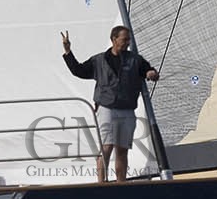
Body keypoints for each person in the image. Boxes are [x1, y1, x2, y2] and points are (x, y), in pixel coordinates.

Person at [62, 26, 158, 183]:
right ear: (114, 39)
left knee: (122, 149)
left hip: (127, 109)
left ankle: (121, 182)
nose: (127, 43)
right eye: (124, 39)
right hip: (107, 108)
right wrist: (68, 52)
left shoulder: (135, 59)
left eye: (128, 39)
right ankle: (102, 182)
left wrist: (151, 73)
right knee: (107, 146)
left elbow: (148, 70)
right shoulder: (98, 60)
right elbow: (78, 70)